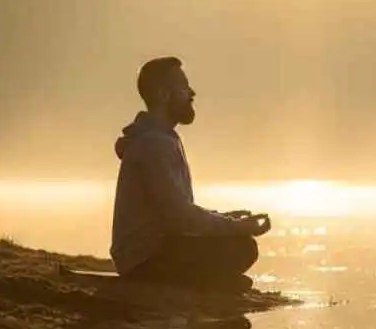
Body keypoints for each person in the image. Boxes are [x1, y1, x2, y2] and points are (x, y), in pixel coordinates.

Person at [109, 56, 272, 292]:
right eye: (184, 86)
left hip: (153, 250)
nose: (192, 93)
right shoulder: (154, 143)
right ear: (164, 94)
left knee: (236, 244)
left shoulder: (163, 139)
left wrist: (226, 218)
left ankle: (214, 282)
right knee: (242, 248)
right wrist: (236, 227)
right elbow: (179, 216)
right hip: (144, 259)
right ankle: (206, 284)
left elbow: (176, 211)